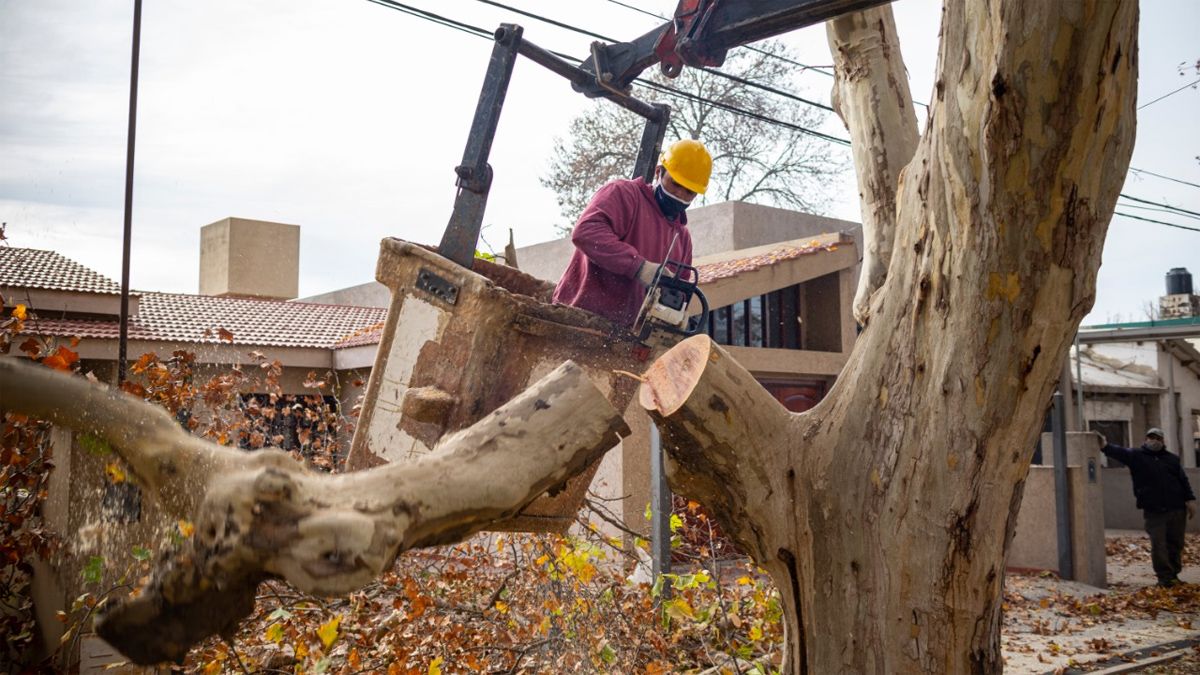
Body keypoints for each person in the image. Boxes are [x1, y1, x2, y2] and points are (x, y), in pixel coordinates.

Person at [553, 139, 712, 327]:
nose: (680, 195)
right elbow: (586, 232)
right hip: (578, 319)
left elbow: (679, 291)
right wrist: (639, 267)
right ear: (659, 172)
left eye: (689, 192)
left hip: (628, 335)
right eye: (675, 184)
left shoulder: (682, 238)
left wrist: (675, 317)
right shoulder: (624, 194)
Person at [1098, 427, 1196, 587]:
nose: (1154, 441)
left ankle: (1173, 576)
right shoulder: (1137, 456)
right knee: (1159, 545)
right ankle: (1164, 577)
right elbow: (1120, 452)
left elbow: (1182, 480)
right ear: (1146, 439)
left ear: (1163, 441)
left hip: (1177, 508)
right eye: (1151, 437)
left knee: (1176, 544)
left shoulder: (1172, 459)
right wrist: (1105, 447)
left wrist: (1190, 500)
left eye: (1157, 438)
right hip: (1154, 511)